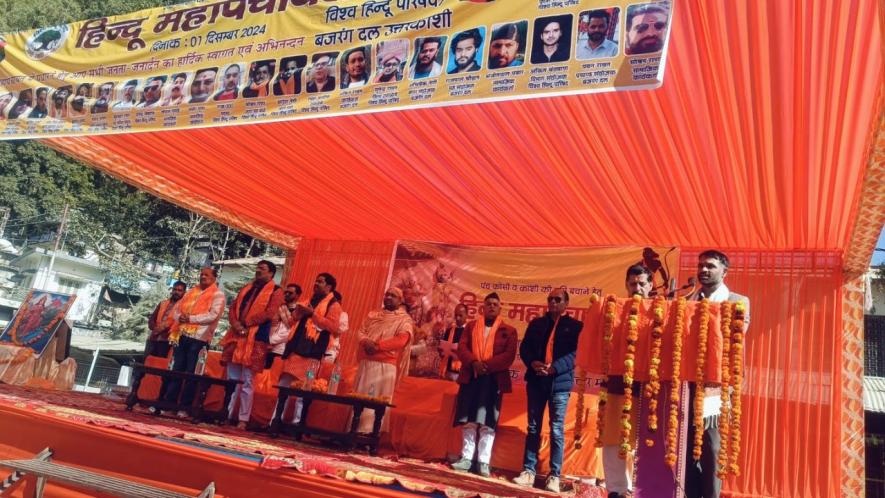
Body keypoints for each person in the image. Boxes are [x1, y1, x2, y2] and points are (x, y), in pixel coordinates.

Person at [684, 250, 749, 498]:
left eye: (710, 266)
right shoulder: (688, 300)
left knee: (711, 445)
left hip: (715, 385)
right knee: (687, 444)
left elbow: (734, 335)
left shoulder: (738, 301)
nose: (703, 270)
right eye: (701, 265)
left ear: (724, 271)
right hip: (687, 382)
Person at [513, 287, 583, 493]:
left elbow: (575, 355)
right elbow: (524, 348)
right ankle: (528, 472)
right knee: (533, 427)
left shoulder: (576, 326)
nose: (553, 302)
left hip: (559, 384)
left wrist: (554, 368)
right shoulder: (536, 324)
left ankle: (554, 475)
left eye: (557, 299)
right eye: (550, 299)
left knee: (556, 429)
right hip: (536, 381)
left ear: (566, 303)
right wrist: (533, 362)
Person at [600, 264, 652, 498]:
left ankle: (643, 489)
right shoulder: (615, 310)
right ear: (626, 285)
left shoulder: (663, 312)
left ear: (651, 285)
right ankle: (617, 489)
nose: (638, 288)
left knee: (646, 441)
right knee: (614, 436)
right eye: (633, 283)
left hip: (651, 385)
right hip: (618, 382)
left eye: (642, 283)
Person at [450, 293, 517, 477]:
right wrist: (474, 363)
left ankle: (483, 462)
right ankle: (466, 458)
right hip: (471, 376)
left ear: (500, 308)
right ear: (483, 307)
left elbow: (509, 356)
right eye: (488, 304)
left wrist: (485, 366)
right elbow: (462, 348)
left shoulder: (508, 331)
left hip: (493, 380)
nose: (492, 306)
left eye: (495, 304)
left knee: (489, 423)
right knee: (469, 420)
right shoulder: (471, 327)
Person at [221, 260, 285, 429]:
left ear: (271, 273)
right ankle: (225, 414)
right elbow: (233, 307)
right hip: (236, 336)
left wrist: (247, 323)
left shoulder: (277, 291)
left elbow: (270, 312)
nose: (258, 271)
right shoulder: (247, 288)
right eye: (257, 268)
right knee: (232, 379)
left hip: (255, 338)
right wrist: (236, 324)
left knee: (248, 381)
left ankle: (243, 419)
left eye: (262, 269)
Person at [156, 268, 225, 418]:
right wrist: (180, 317)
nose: (203, 277)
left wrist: (190, 319)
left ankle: (185, 407)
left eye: (206, 275)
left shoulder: (218, 295)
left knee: (192, 373)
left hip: (200, 339)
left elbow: (213, 315)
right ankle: (169, 404)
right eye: (201, 274)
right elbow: (176, 310)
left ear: (214, 278)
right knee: (177, 370)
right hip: (182, 335)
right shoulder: (191, 292)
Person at [279, 273, 342, 423]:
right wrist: (298, 313)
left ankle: (296, 425)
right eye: (316, 280)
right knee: (284, 387)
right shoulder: (308, 300)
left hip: (312, 353)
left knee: (304, 390)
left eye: (320, 282)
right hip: (295, 348)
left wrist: (312, 314)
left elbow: (333, 327)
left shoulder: (334, 305)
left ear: (329, 286)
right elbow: (291, 321)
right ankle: (276, 420)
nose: (316, 283)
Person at [351, 287, 414, 433]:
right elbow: (361, 331)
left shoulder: (404, 319)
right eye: (387, 294)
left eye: (393, 296)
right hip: (366, 362)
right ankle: (353, 429)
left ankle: (367, 434)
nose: (389, 297)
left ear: (400, 300)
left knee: (374, 399)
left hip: (385, 366)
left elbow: (401, 340)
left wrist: (377, 346)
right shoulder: (374, 314)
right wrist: (366, 342)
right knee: (359, 397)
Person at [146, 281, 187, 359]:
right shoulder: (163, 303)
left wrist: (164, 329)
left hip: (168, 341)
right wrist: (155, 328)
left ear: (184, 292)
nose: (176, 292)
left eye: (179, 290)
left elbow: (179, 324)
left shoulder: (184, 306)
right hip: (154, 338)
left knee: (161, 365)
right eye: (174, 289)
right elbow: (152, 319)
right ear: (172, 290)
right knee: (148, 362)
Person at [438, 304, 468, 380]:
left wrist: (460, 353)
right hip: (448, 370)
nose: (457, 318)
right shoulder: (449, 331)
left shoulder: (470, 331)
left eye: (460, 315)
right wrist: (441, 351)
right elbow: (443, 350)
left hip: (462, 371)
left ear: (466, 315)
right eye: (456, 315)